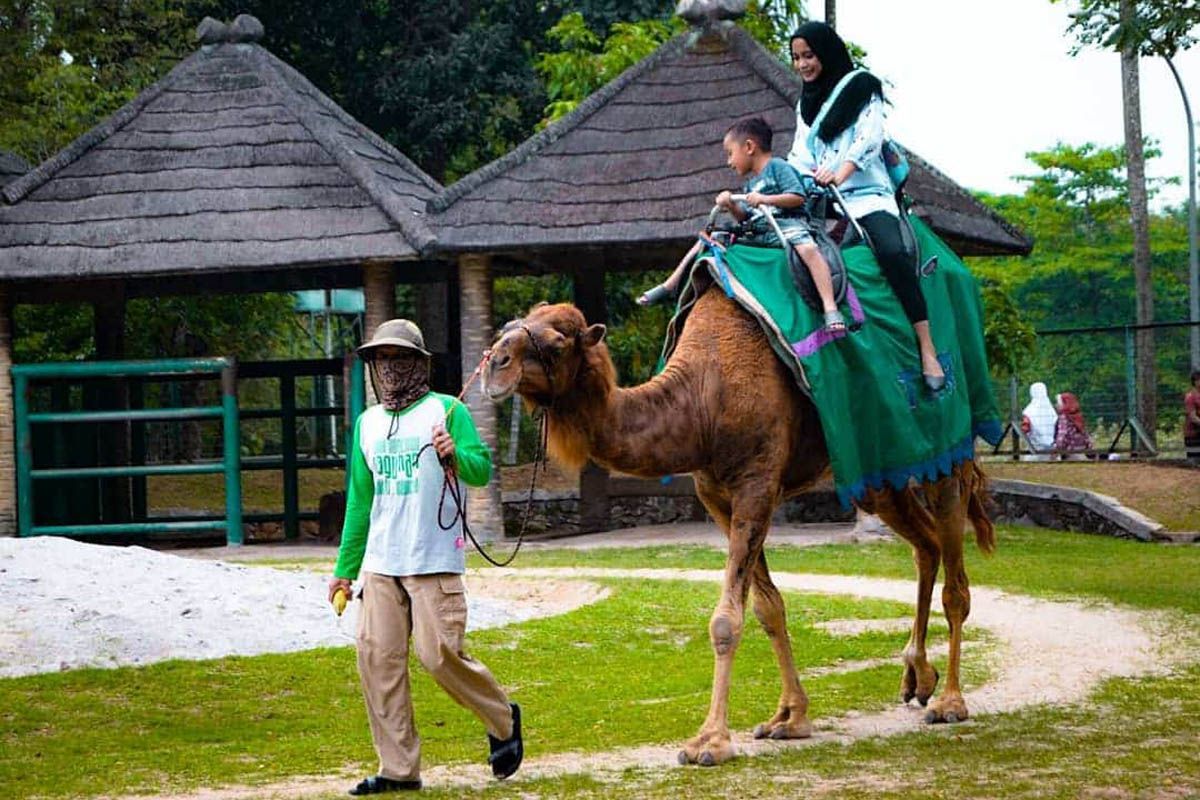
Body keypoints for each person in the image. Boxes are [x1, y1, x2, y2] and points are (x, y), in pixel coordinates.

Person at [328, 319, 523, 795]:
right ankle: (398, 769)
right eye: (381, 359)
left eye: (399, 358)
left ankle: (502, 718)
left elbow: (480, 470)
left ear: (419, 363)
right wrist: (343, 572)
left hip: (433, 559)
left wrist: (454, 453)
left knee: (438, 656)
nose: (390, 368)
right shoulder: (367, 424)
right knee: (378, 661)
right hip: (380, 564)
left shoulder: (448, 411)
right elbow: (360, 501)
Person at [785, 21, 945, 391]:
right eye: (795, 58)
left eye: (808, 56)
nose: (802, 65)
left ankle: (926, 346)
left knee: (890, 252)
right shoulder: (805, 104)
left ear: (826, 53)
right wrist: (790, 179)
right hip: (825, 200)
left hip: (866, 195)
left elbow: (870, 137)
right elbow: (800, 152)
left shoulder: (862, 88)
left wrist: (841, 173)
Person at [639, 116, 847, 334]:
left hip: (788, 226)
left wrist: (765, 199)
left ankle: (830, 307)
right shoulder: (750, 184)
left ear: (749, 147)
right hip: (760, 231)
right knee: (708, 239)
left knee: (808, 249)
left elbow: (797, 197)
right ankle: (670, 285)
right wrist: (730, 204)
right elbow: (745, 218)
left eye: (730, 153)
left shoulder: (778, 167)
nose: (729, 162)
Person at [1020, 381, 1057, 457]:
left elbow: (1025, 428)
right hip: (1052, 448)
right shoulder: (1051, 410)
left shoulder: (1029, 410)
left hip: (1035, 448)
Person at [1053, 392, 1093, 457]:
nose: (1056, 405)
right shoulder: (1078, 416)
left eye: (1058, 403)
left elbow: (1062, 435)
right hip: (1082, 450)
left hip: (1070, 452)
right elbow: (1086, 435)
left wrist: (1057, 449)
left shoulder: (1064, 417)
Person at [1185, 370, 1200, 461]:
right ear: (1195, 382)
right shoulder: (1190, 396)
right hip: (1194, 434)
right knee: (1194, 463)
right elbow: (1193, 417)